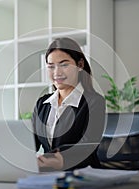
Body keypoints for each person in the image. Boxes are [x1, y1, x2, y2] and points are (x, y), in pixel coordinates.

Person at [32, 37, 105, 171]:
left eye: (64, 65)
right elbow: (32, 144)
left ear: (80, 65)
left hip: (84, 175)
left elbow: (88, 146)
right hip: (50, 175)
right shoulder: (42, 104)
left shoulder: (94, 102)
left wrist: (62, 161)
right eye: (51, 66)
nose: (57, 72)